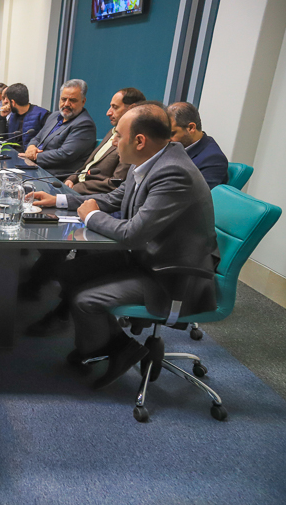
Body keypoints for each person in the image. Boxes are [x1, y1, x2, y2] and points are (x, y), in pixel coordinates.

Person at [32, 104, 219, 389]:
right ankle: (119, 346)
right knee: (69, 272)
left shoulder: (174, 173)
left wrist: (91, 217)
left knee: (85, 300)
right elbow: (115, 198)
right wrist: (60, 201)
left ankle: (105, 349)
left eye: (118, 135)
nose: (113, 141)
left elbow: (133, 234)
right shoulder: (150, 159)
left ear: (139, 140)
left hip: (173, 276)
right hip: (148, 257)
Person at [65, 87, 145, 195]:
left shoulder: (132, 141)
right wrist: (71, 179)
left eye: (115, 107)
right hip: (74, 187)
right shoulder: (112, 132)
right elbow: (88, 165)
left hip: (90, 195)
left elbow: (116, 182)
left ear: (132, 109)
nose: (108, 112)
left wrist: (77, 187)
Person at [20, 79, 97, 177]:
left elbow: (64, 154)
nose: (66, 104)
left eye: (72, 100)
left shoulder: (85, 124)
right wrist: (31, 147)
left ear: (83, 101)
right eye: (63, 99)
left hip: (54, 177)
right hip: (35, 168)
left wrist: (35, 156)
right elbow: (38, 138)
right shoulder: (54, 116)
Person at [168, 102, 228, 189]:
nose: (167, 139)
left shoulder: (213, 159)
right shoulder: (176, 145)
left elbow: (197, 195)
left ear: (191, 128)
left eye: (172, 134)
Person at [0, 83, 49, 149]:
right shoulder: (14, 115)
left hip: (29, 154)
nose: (5, 102)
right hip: (11, 152)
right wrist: (1, 118)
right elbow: (1, 139)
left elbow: (48, 142)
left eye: (7, 100)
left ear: (13, 102)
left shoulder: (42, 115)